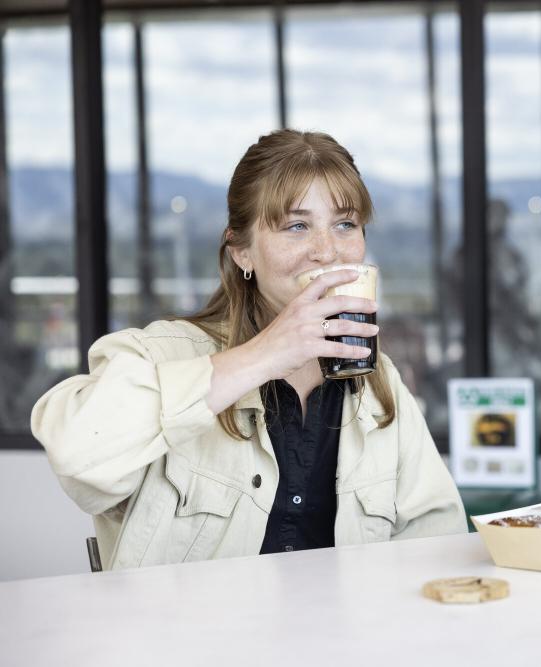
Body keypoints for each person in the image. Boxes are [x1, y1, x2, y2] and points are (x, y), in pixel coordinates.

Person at [31, 129, 467, 569]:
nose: (328, 251)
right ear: (242, 252)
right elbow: (77, 462)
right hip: (184, 637)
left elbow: (435, 543)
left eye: (345, 224)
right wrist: (264, 355)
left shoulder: (379, 381)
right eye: (297, 226)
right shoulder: (161, 354)